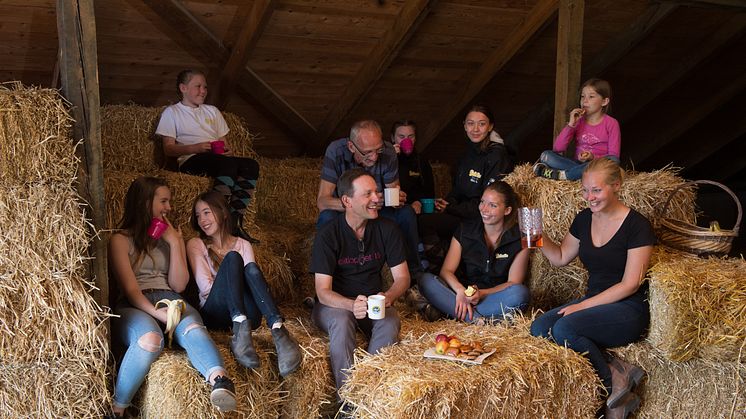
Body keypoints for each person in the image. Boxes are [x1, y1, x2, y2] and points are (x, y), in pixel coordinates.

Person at [530, 158, 653, 418]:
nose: (589, 197)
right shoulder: (584, 219)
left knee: (564, 327)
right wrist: (536, 235)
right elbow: (561, 257)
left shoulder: (637, 226)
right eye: (585, 190)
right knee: (539, 328)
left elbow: (631, 284)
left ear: (616, 186)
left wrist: (581, 306)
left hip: (627, 308)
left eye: (596, 190)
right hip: (595, 303)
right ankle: (617, 368)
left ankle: (611, 386)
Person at [108, 177, 236, 417]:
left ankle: (221, 382)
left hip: (170, 298)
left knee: (194, 329)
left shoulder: (169, 239)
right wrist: (158, 313)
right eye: (163, 201)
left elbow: (179, 284)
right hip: (134, 304)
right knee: (149, 340)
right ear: (145, 202)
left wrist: (175, 243)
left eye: (169, 201)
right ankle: (118, 410)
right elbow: (131, 291)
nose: (169, 207)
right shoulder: (120, 240)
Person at [310, 168, 410, 398]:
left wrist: (389, 297)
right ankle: (347, 400)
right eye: (368, 194)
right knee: (343, 321)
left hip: (372, 302)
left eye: (376, 192)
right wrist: (350, 305)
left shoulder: (388, 229)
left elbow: (403, 277)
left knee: (390, 318)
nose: (376, 198)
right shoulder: (328, 234)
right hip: (334, 305)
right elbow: (323, 291)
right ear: (347, 200)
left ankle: (368, 392)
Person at [186, 191, 302, 377]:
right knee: (233, 259)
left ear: (223, 212)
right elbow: (205, 288)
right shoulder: (196, 244)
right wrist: (230, 278)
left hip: (250, 319)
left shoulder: (243, 244)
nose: (202, 220)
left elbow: (252, 281)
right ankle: (239, 327)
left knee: (252, 270)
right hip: (215, 313)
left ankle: (278, 330)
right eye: (198, 215)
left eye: (207, 212)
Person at [155, 69, 260, 242]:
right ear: (183, 88)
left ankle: (235, 220)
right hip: (191, 160)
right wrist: (194, 148)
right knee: (227, 165)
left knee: (251, 165)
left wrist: (227, 151)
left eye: (204, 87)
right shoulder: (172, 112)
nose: (203, 91)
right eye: (197, 86)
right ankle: (218, 220)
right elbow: (168, 149)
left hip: (215, 158)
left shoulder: (212, 111)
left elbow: (225, 145)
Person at [316, 119, 422, 279]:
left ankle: (415, 277)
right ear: (351, 147)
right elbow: (323, 201)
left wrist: (396, 199)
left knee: (406, 214)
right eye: (367, 152)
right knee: (326, 217)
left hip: (377, 211)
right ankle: (324, 280)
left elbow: (393, 191)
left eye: (378, 150)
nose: (374, 157)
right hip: (348, 214)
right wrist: (357, 205)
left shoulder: (388, 152)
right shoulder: (335, 151)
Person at [418, 104, 514, 267]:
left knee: (425, 223)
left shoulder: (497, 155)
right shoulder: (467, 153)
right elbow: (458, 189)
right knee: (422, 219)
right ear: (464, 125)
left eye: (482, 124)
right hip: (462, 212)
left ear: (490, 126)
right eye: (470, 123)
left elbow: (486, 204)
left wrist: (450, 209)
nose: (475, 129)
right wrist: (446, 202)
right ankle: (439, 267)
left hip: (481, 218)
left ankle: (435, 269)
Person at [418, 181, 530, 322]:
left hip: (492, 298)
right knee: (425, 280)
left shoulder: (520, 239)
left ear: (507, 210)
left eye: (492, 205)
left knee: (520, 294)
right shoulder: (465, 230)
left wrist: (482, 293)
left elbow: (513, 282)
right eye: (482, 202)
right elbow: (446, 271)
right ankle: (479, 320)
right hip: (460, 296)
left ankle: (454, 313)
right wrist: (460, 291)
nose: (484, 209)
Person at [534, 78, 621, 181]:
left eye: (591, 97)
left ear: (604, 101)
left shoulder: (612, 123)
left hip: (597, 165)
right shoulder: (578, 121)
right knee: (546, 155)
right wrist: (571, 125)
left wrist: (593, 157)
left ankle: (564, 175)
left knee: (613, 161)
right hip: (576, 164)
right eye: (582, 96)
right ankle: (577, 174)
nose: (585, 101)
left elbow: (614, 155)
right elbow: (558, 148)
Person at [389, 120, 435, 216]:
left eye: (411, 136)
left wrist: (418, 202)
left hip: (417, 209)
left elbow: (429, 192)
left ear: (415, 138)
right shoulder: (385, 160)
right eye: (401, 137)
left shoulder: (421, 161)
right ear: (393, 138)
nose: (407, 140)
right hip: (392, 210)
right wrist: (391, 157)